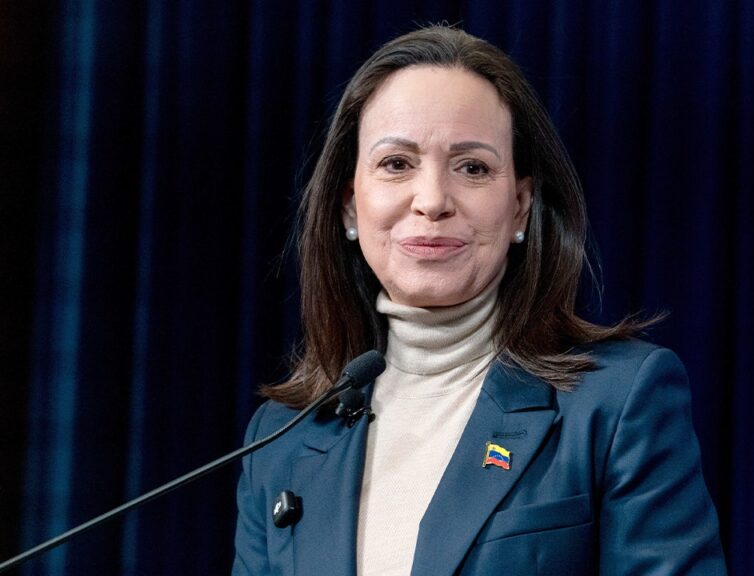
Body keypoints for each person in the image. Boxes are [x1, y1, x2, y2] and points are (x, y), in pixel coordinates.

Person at [233, 25, 726, 576]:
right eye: (396, 164)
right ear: (350, 206)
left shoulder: (616, 403)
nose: (432, 200)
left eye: (472, 168)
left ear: (520, 207)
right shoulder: (281, 437)